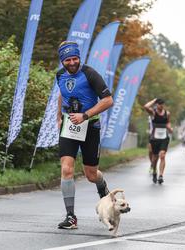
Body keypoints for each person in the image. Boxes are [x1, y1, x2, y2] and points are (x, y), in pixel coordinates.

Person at [56, 41, 115, 229]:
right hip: (70, 126)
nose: (72, 62)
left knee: (90, 174)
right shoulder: (59, 75)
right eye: (68, 60)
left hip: (90, 126)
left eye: (75, 58)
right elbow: (62, 94)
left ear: (79, 58)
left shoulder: (90, 74)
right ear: (62, 61)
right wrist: (59, 117)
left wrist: (85, 115)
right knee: (66, 169)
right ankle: (71, 217)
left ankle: (102, 186)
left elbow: (108, 100)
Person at [144, 98, 173, 184]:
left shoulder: (167, 113)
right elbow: (146, 106)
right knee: (155, 158)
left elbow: (168, 122)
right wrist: (154, 100)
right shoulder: (153, 112)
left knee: (162, 155)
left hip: (164, 137)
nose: (161, 106)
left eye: (162, 104)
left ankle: (160, 175)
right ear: (157, 105)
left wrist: (170, 128)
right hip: (154, 138)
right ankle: (154, 171)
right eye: (159, 104)